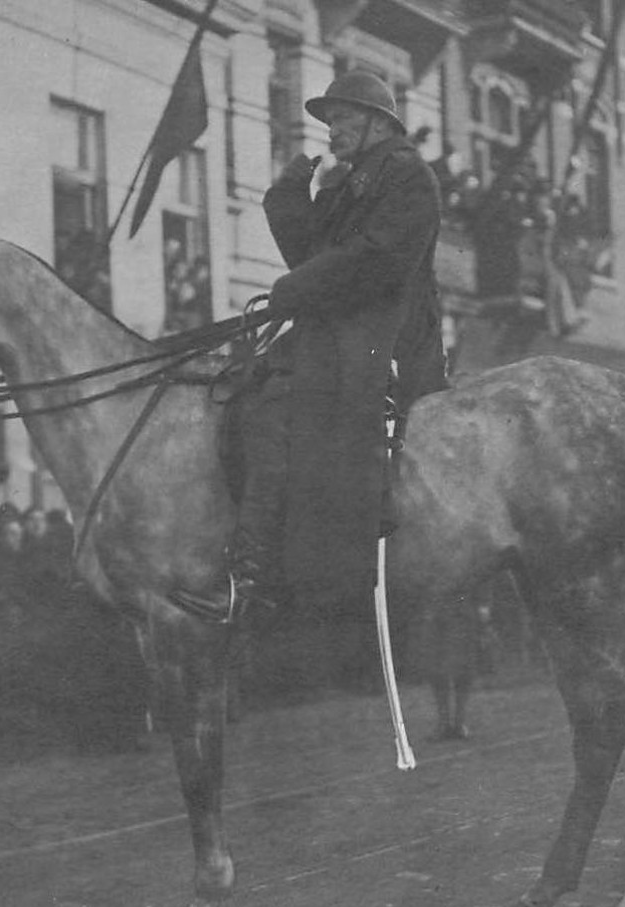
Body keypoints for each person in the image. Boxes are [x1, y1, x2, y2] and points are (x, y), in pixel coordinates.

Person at [174, 70, 448, 624]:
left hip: (382, 335)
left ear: (376, 123)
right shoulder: (352, 180)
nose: (331, 130)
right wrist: (291, 189)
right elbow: (310, 254)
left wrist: (294, 290)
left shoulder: (406, 175)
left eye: (342, 118)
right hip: (340, 331)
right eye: (328, 121)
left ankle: (261, 570)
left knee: (276, 405)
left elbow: (379, 259)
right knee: (244, 388)